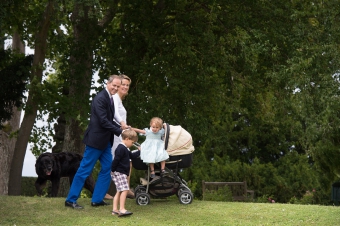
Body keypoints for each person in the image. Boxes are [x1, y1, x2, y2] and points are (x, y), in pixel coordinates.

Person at [65, 75, 123, 209]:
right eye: (113, 85)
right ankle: (70, 200)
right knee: (85, 170)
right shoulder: (100, 98)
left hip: (105, 142)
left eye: (118, 86)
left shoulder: (110, 98)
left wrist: (121, 127)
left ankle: (97, 199)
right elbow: (103, 121)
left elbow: (109, 119)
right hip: (95, 141)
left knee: (108, 168)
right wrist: (120, 132)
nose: (115, 88)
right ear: (108, 83)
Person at [111, 129, 140, 217]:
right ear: (127, 139)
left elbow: (132, 156)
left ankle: (115, 210)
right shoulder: (121, 148)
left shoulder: (124, 148)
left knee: (119, 191)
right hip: (119, 172)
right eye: (132, 142)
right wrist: (113, 170)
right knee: (125, 190)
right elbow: (116, 160)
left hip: (120, 172)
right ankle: (122, 209)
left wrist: (140, 151)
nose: (132, 144)